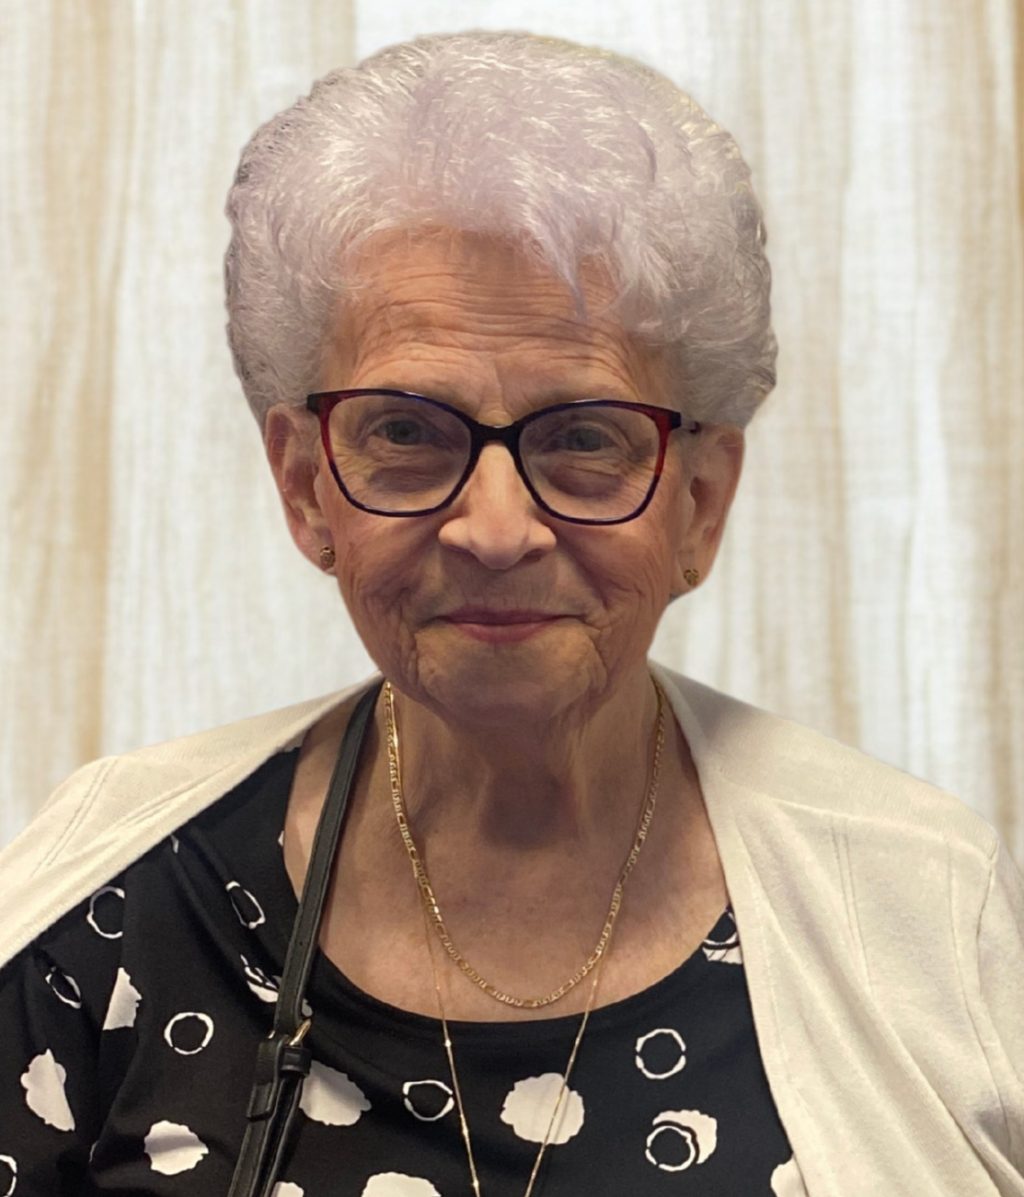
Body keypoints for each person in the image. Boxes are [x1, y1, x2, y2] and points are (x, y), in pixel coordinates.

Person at [0, 29, 1021, 1197]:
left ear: (698, 503)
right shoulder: (116, 902)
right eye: (405, 431)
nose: (494, 529)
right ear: (306, 485)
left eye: (583, 436)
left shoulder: (917, 902)